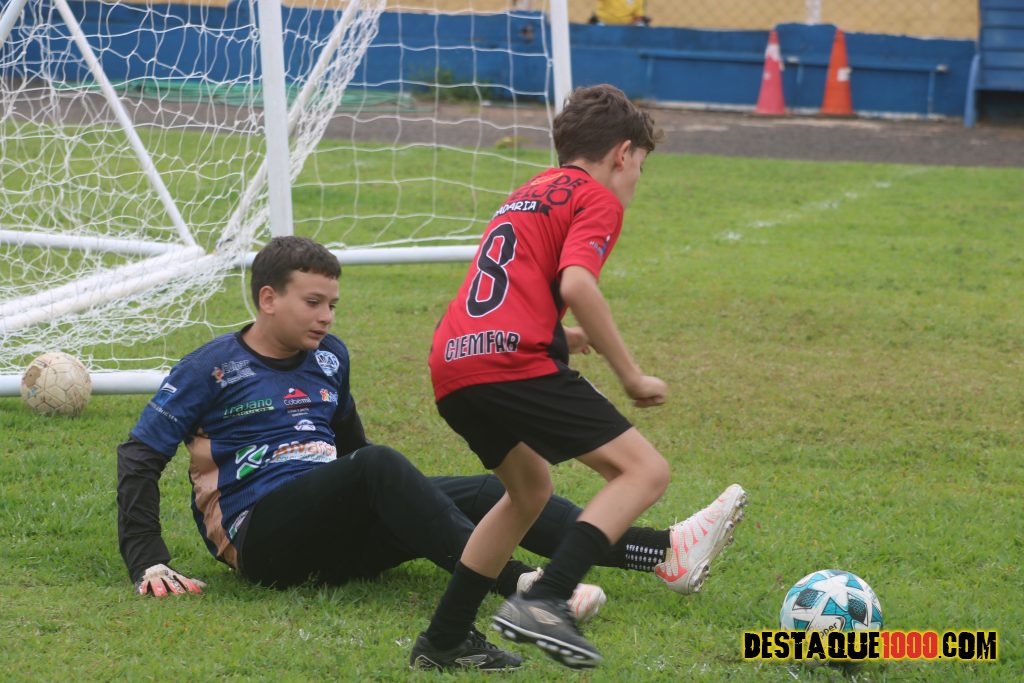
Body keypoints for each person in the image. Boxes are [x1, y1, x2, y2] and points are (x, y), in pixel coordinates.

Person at [115, 235, 717, 670]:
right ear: (268, 299)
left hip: (331, 534)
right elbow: (139, 456)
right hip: (262, 539)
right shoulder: (211, 368)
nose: (326, 317)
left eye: (333, 305)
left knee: (496, 491)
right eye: (313, 302)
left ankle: (660, 551)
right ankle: (525, 588)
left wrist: (401, 502)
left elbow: (351, 450)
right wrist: (148, 560)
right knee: (382, 466)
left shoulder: (330, 359)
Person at [412, 84, 747, 671]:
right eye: (640, 166)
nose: (636, 179)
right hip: (509, 360)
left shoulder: (526, 192)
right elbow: (577, 284)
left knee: (529, 492)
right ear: (622, 154)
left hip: (453, 360)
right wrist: (631, 375)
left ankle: (444, 640)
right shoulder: (596, 196)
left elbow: (507, 288)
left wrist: (558, 335)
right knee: (644, 471)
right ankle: (545, 600)